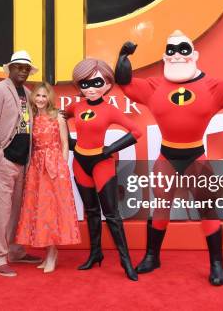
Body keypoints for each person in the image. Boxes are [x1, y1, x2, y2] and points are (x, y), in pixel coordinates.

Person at [114, 30, 223, 286]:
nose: (177, 54)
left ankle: (217, 265)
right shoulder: (154, 86)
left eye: (183, 49)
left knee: (208, 208)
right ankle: (151, 256)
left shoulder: (211, 87)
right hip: (166, 156)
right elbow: (125, 82)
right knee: (160, 207)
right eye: (171, 50)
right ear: (164, 56)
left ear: (194, 55)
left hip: (195, 157)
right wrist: (124, 56)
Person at [64, 58, 142, 281]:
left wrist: (109, 150)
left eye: (97, 82)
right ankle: (95, 253)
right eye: (85, 84)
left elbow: (136, 131)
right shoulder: (76, 107)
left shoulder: (110, 110)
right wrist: (69, 144)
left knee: (112, 215)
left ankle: (125, 261)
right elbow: (59, 119)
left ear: (108, 83)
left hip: (102, 164)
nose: (90, 89)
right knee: (91, 212)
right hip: (80, 163)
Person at [0, 50, 43, 277]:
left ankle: (15, 251)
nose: (23, 71)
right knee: (2, 212)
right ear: (10, 69)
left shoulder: (27, 92)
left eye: (27, 68)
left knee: (17, 211)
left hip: (23, 160)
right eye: (19, 67)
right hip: (5, 160)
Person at [15, 82, 81, 273]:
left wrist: (63, 167)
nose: (41, 99)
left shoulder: (58, 117)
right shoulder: (31, 118)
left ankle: (52, 254)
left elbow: (64, 144)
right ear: (33, 98)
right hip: (36, 167)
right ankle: (47, 253)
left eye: (44, 96)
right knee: (40, 210)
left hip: (54, 166)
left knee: (52, 211)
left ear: (49, 98)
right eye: (38, 96)